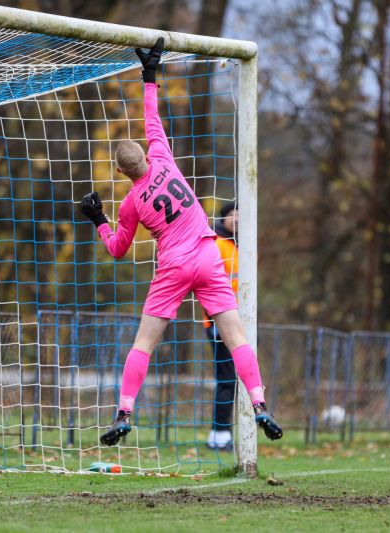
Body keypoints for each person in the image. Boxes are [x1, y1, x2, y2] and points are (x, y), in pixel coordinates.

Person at [79, 38, 282, 447]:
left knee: (144, 343)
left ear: (121, 170)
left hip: (173, 264)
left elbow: (118, 248)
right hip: (208, 255)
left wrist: (99, 219)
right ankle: (259, 403)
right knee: (236, 337)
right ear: (149, 155)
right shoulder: (164, 157)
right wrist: (150, 74)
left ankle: (123, 414)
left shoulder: (132, 202)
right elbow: (152, 118)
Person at [204, 202, 239, 450]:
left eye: (240, 216)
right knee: (227, 379)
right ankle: (219, 435)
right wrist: (215, 321)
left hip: (237, 324)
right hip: (220, 323)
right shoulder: (216, 245)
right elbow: (207, 285)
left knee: (234, 379)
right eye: (232, 216)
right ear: (224, 219)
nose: (236, 220)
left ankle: (222, 432)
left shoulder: (242, 248)